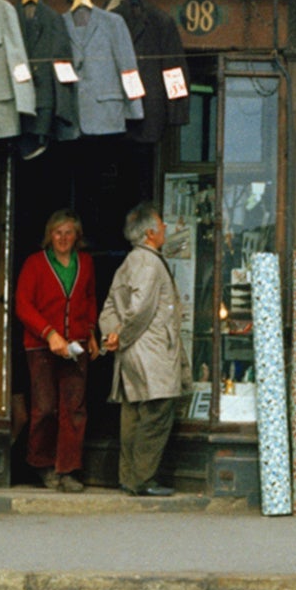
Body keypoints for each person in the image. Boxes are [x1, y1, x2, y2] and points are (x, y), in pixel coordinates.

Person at [99, 204, 188, 497]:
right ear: (150, 232)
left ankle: (129, 477)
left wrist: (112, 334)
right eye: (161, 226)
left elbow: (110, 305)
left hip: (132, 354)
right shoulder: (149, 263)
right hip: (151, 352)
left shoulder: (129, 262)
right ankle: (143, 478)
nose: (165, 230)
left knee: (133, 414)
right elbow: (140, 310)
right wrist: (120, 336)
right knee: (155, 413)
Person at [15, 207, 96, 489]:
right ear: (49, 236)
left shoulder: (85, 263)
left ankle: (69, 469)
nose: (63, 238)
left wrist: (91, 334)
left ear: (77, 237)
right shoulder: (35, 264)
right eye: (58, 232)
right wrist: (49, 334)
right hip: (40, 347)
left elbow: (89, 301)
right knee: (45, 408)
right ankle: (41, 464)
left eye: (69, 233)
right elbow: (22, 305)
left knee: (74, 408)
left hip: (76, 345)